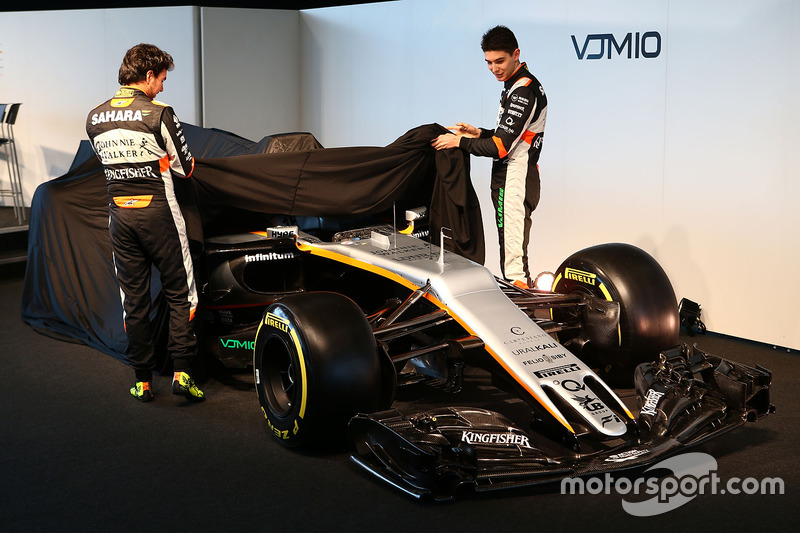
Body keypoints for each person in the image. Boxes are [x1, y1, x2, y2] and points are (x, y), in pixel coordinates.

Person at [86, 43, 205, 402]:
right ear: (148, 76)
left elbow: (107, 164)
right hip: (160, 215)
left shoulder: (93, 117)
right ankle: (183, 374)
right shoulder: (160, 113)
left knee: (133, 301)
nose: (164, 88)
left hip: (119, 218)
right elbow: (186, 169)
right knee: (181, 293)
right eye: (162, 79)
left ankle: (142, 381)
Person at [432, 25, 547, 288]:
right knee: (512, 257)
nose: (494, 68)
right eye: (488, 62)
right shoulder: (514, 85)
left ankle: (524, 323)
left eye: (500, 61)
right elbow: (508, 136)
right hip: (512, 177)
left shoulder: (524, 90)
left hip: (515, 179)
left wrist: (459, 142)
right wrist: (478, 133)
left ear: (516, 54)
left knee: (513, 264)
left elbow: (501, 147)